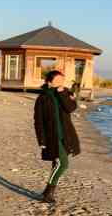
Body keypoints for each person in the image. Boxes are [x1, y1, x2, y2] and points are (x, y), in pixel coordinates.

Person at [33, 69, 81, 203]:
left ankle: (47, 192)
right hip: (51, 137)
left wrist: (63, 94)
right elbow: (38, 121)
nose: (61, 82)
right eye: (57, 80)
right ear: (49, 82)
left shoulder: (66, 93)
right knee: (62, 164)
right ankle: (49, 192)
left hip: (66, 135)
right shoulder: (42, 98)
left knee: (58, 163)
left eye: (62, 80)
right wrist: (41, 139)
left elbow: (70, 108)